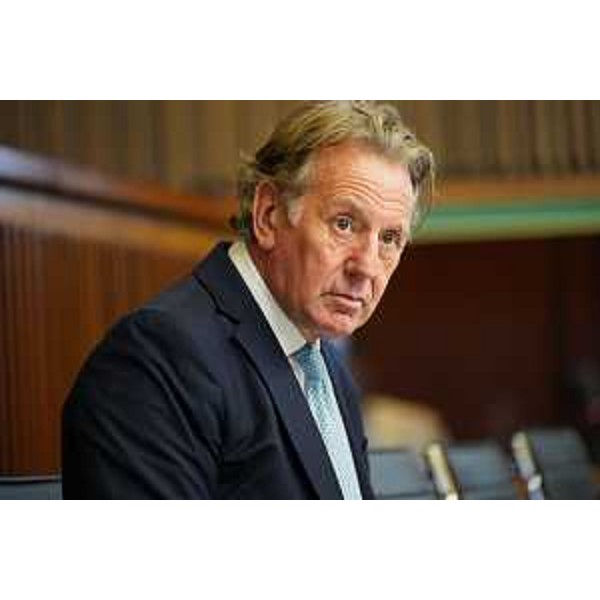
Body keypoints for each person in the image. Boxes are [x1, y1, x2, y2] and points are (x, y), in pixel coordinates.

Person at [62, 101, 435, 499]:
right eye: (344, 224)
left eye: (389, 238)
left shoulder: (328, 366)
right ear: (269, 214)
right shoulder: (157, 357)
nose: (368, 267)